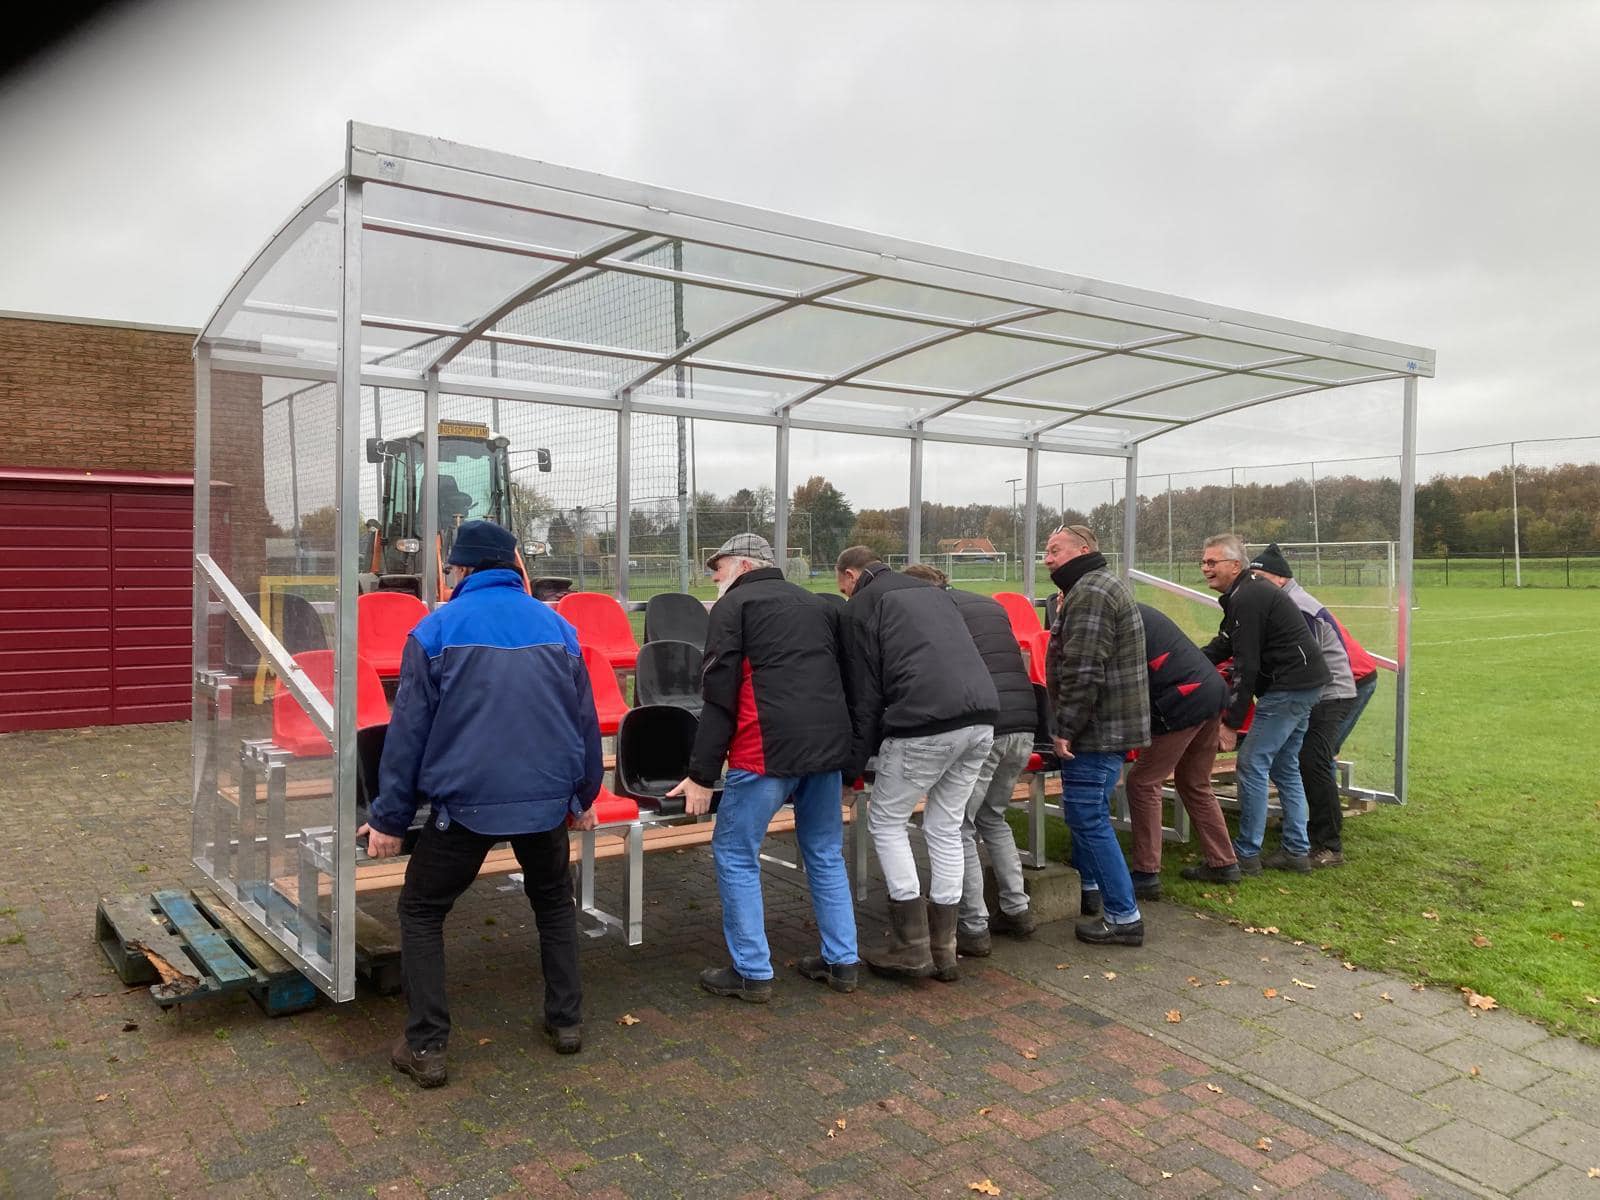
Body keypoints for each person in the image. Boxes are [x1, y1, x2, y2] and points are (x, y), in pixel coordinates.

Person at [359, 519, 603, 1088]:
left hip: (464, 806)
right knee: (553, 904)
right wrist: (583, 795)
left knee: (421, 910)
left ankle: (427, 1046)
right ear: (512, 567)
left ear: (463, 569)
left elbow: (408, 734)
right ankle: (566, 1023)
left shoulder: (435, 629)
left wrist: (389, 819)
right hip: (545, 803)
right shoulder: (559, 628)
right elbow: (585, 723)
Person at [666, 534, 859, 1002]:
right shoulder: (822, 606)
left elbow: (718, 696)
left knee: (735, 852)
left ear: (743, 566)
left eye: (718, 566)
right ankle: (843, 961)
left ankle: (752, 971)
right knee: (825, 852)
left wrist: (702, 773)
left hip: (764, 749)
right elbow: (850, 681)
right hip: (826, 748)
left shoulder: (733, 609)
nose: (713, 576)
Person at [836, 546, 998, 983]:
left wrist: (853, 766)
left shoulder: (865, 605)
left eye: (843, 587)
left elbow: (866, 697)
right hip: (982, 719)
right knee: (945, 827)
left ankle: (912, 945)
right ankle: (945, 949)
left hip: (924, 723)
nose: (845, 595)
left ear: (851, 575)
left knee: (886, 821)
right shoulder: (934, 593)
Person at [904, 564, 1038, 956]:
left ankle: (974, 925)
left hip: (987, 723)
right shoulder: (989, 605)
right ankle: (1017, 910)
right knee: (993, 817)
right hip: (1025, 720)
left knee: (958, 825)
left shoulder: (939, 615)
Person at [1041, 525, 1151, 946]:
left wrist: (1065, 728)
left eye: (1056, 550)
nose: (1048, 559)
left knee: (1087, 818)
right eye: (1046, 552)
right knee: (1091, 815)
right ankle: (1091, 890)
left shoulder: (1090, 592)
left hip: (1097, 730)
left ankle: (1124, 916)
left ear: (1083, 550)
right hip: (1110, 727)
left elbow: (1084, 669)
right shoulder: (1101, 584)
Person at [1198, 534, 1329, 874]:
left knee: (1252, 762)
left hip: (1289, 686)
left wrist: (1230, 721)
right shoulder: (1243, 595)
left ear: (1235, 565)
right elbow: (1225, 644)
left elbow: (1246, 664)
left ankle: (1246, 853)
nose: (1205, 568)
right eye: (1204, 562)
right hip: (1304, 683)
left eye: (1213, 562)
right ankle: (1296, 851)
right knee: (1284, 765)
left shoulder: (1249, 596)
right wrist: (1184, 660)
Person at [1247, 544, 1358, 869]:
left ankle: (1328, 844)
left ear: (1280, 579)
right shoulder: (1286, 600)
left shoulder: (1297, 606)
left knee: (1312, 761)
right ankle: (1301, 836)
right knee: (1295, 761)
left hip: (1329, 693)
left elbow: (1302, 659)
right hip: (1316, 690)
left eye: (1261, 577)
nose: (1255, 583)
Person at [1124, 603, 1240, 898]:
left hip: (1183, 699)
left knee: (1143, 782)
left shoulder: (1120, 620)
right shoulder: (1139, 611)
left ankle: (1146, 873)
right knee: (1194, 782)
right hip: (1210, 692)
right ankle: (1224, 862)